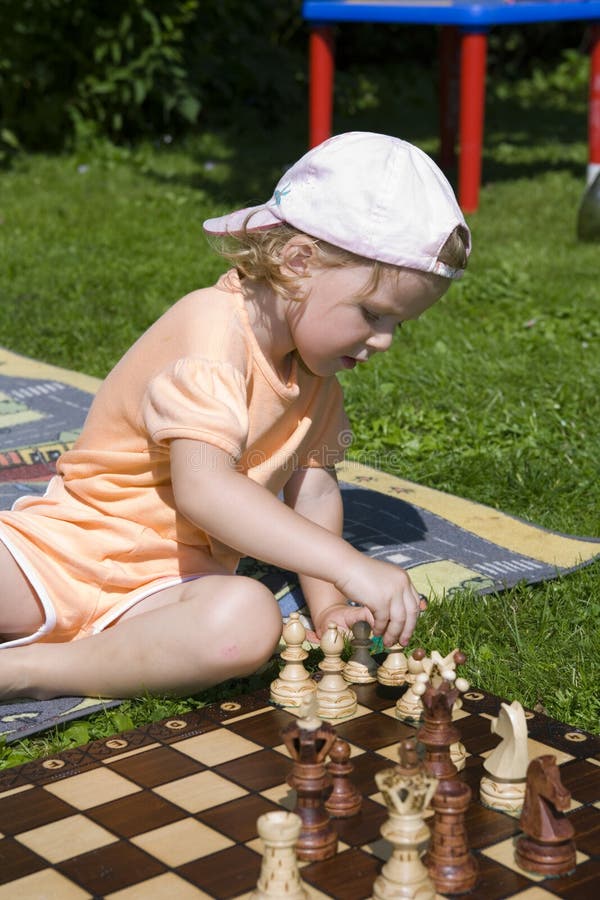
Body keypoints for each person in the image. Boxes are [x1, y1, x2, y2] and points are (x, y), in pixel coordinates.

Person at [0, 132, 470, 701]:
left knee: (248, 623)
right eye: (373, 313)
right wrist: (350, 564)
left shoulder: (317, 383)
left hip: (169, 587)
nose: (387, 340)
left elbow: (313, 496)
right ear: (299, 262)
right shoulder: (211, 324)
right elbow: (204, 487)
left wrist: (329, 606)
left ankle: (28, 672)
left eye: (400, 323)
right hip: (61, 552)